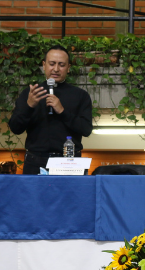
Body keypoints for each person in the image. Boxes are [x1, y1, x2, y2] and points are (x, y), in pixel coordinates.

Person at [8, 45, 93, 175]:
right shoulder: (31, 93)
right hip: (36, 160)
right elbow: (15, 128)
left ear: (69, 68)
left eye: (62, 65)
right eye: (52, 64)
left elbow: (86, 130)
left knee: (70, 196)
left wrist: (62, 111)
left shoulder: (80, 95)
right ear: (44, 65)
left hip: (69, 161)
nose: (56, 69)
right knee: (34, 196)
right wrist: (29, 106)